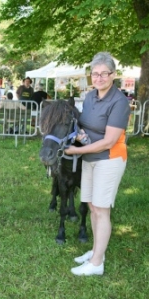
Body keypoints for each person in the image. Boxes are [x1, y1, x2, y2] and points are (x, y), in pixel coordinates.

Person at [64, 52, 130, 276]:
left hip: (109, 159)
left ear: (113, 75)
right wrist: (80, 135)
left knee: (101, 210)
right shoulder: (91, 97)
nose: (99, 78)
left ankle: (97, 263)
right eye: (95, 73)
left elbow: (109, 141)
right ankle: (95, 251)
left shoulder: (119, 102)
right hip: (90, 159)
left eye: (104, 74)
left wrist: (77, 150)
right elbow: (84, 124)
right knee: (92, 207)